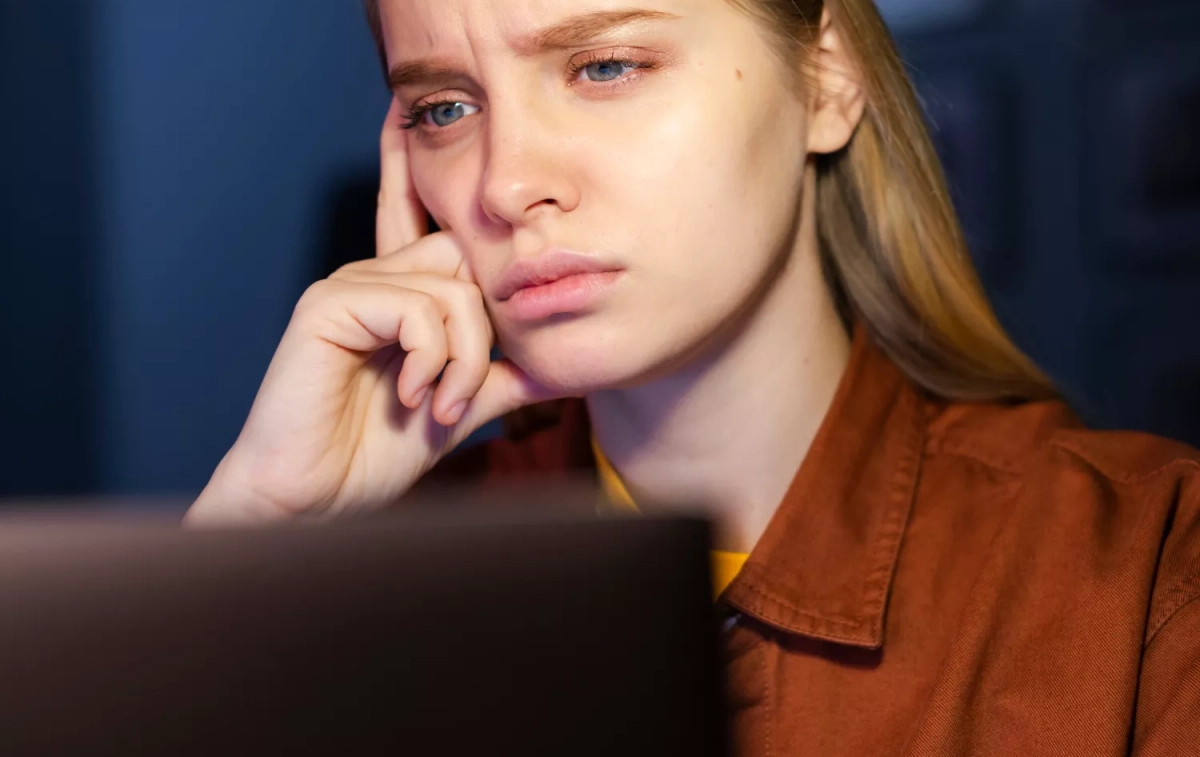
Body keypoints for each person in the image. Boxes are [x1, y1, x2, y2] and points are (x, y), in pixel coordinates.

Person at [186, 0, 1200, 753]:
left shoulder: (1147, 574)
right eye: (445, 105)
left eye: (607, 68)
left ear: (826, 78)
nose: (503, 183)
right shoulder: (375, 597)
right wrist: (256, 538)